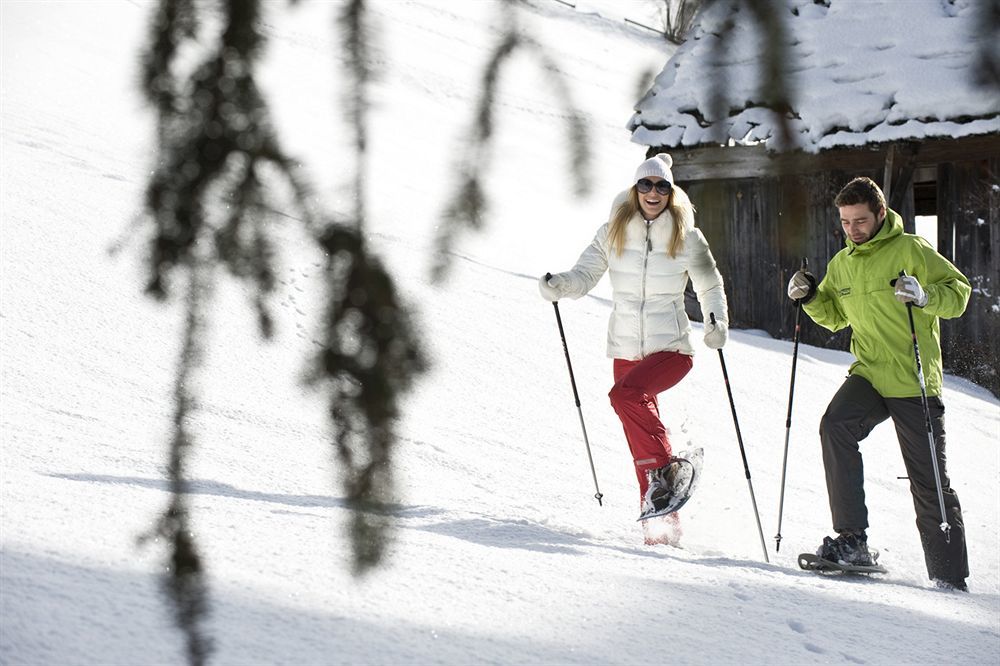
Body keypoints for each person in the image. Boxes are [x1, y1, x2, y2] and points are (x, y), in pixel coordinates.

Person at [787, 176, 971, 591]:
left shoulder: (911, 250)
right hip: (870, 371)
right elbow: (835, 316)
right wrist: (810, 295)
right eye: (846, 222)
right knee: (835, 426)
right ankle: (852, 541)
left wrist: (925, 296)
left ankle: (948, 577)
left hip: (913, 377)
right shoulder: (843, 263)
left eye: (860, 220)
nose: (853, 229)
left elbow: (959, 293)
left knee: (928, 481)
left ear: (880, 214)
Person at [539, 152, 729, 545]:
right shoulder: (612, 231)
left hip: (671, 348)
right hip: (625, 347)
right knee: (637, 436)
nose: (653, 193)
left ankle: (667, 476)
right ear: (635, 189)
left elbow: (710, 284)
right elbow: (586, 274)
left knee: (625, 395)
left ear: (671, 192)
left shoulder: (686, 236)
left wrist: (716, 322)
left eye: (662, 186)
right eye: (646, 185)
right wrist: (559, 285)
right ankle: (661, 528)